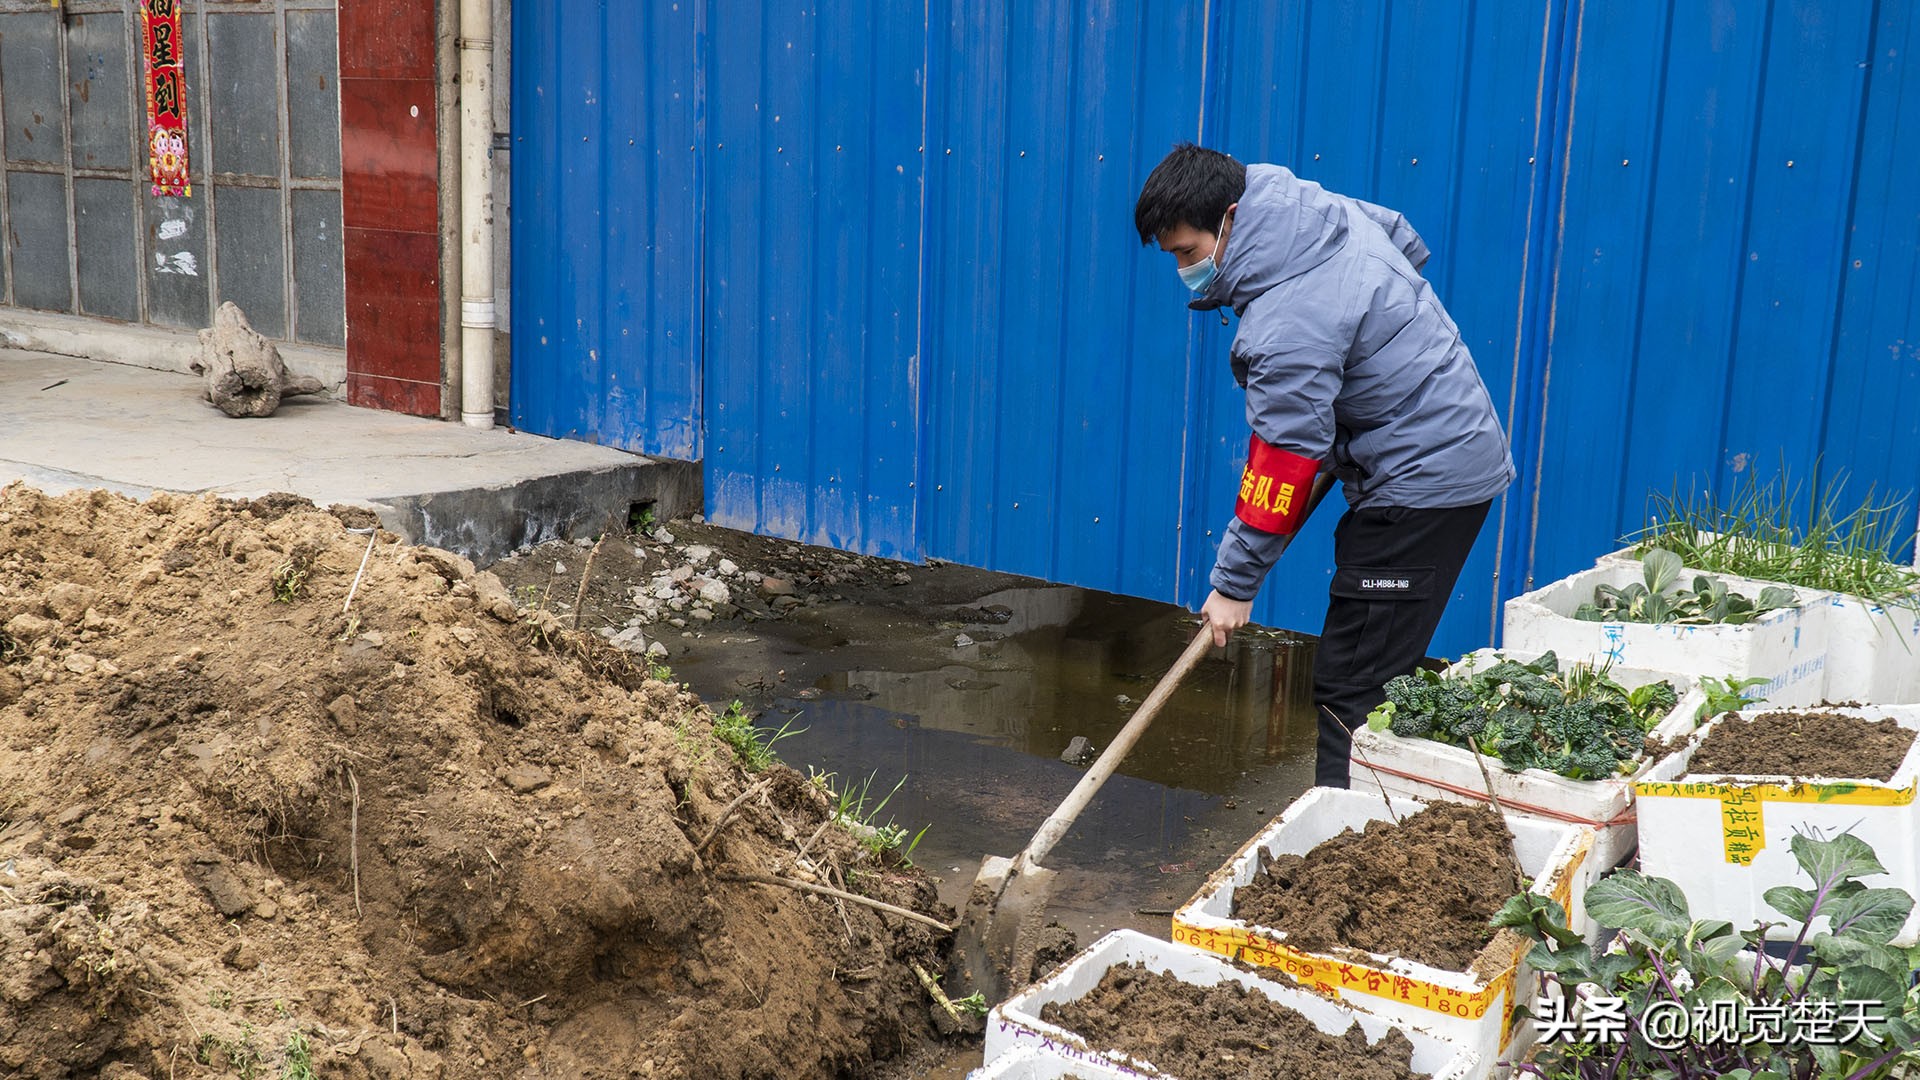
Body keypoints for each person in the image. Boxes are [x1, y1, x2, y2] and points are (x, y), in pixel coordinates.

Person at [1134, 144, 1515, 788]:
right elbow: (1404, 240)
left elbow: (1282, 462)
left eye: (1187, 252)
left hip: (1424, 482)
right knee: (1375, 669)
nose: (1183, 269)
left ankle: (1349, 839)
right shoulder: (1309, 214)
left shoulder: (1288, 323)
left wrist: (1233, 585)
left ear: (1228, 218)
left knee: (1354, 684)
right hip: (1435, 447)